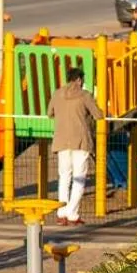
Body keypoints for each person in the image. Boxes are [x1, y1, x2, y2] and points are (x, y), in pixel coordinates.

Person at [50, 66, 101, 225]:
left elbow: (49, 113)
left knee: (64, 176)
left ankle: (61, 213)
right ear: (79, 80)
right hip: (80, 140)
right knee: (79, 177)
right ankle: (73, 214)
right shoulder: (85, 95)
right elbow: (98, 115)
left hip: (61, 140)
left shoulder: (57, 93)